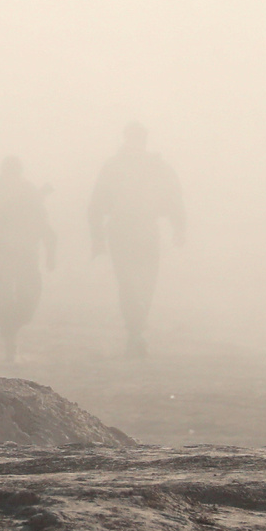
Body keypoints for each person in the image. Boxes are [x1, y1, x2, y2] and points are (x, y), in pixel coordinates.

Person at [89, 122, 185, 358]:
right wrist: (97, 237)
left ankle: (136, 328)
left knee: (146, 284)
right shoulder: (113, 167)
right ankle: (135, 331)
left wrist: (179, 227)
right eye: (132, 137)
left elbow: (174, 197)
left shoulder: (157, 167)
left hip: (146, 230)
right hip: (121, 230)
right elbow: (97, 203)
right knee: (129, 284)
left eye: (138, 138)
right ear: (126, 138)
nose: (135, 142)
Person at [0, 156, 56, 362]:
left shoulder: (29, 192)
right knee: (5, 300)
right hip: (2, 254)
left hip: (27, 254)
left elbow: (43, 223)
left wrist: (50, 253)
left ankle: (11, 327)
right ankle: (10, 341)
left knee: (29, 300)